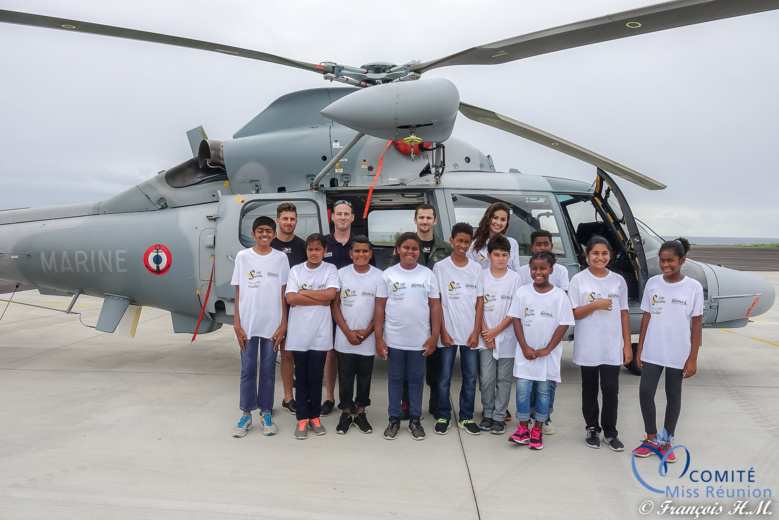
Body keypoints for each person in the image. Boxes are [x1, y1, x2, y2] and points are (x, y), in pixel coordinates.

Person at [633, 238, 703, 462]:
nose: (666, 265)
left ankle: (666, 441)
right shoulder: (653, 283)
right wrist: (640, 348)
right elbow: (646, 316)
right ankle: (651, 438)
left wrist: (692, 358)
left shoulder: (692, 287)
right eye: (662, 260)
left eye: (671, 260)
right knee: (645, 393)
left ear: (682, 260)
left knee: (673, 396)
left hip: (678, 352)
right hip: (653, 350)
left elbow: (697, 324)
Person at [375, 232, 442, 441]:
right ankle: (393, 419)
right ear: (397, 249)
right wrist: (379, 337)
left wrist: (434, 336)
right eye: (406, 247)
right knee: (395, 380)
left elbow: (435, 306)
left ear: (419, 251)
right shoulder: (387, 275)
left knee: (415, 380)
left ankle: (415, 420)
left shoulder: (428, 275)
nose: (410, 252)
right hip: (394, 338)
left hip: (419, 340)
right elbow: (379, 307)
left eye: (414, 248)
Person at [568, 236, 632, 451]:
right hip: (588, 345)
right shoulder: (578, 280)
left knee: (611, 389)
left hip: (611, 345)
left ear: (609, 256)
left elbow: (624, 313)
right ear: (587, 256)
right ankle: (592, 428)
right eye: (595, 253)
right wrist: (595, 305)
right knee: (590, 389)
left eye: (604, 253)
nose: (600, 257)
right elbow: (575, 313)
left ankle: (611, 432)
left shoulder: (618, 281)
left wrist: (627, 344)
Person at [389, 203, 452, 419]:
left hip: (435, 313)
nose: (425, 221)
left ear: (435, 221)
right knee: (408, 371)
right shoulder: (405, 245)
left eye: (429, 218)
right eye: (421, 217)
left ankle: (434, 404)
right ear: (415, 220)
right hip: (409, 318)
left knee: (435, 365)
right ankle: (406, 404)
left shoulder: (446, 249)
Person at [507, 251, 574, 450]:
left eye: (543, 268)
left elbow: (564, 324)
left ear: (551, 270)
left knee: (544, 392)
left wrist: (548, 349)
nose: (538, 272)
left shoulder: (559, 296)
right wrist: (525, 347)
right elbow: (516, 319)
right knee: (522, 392)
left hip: (548, 357)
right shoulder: (523, 292)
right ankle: (522, 429)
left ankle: (537, 430)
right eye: (534, 268)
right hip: (525, 355)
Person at [230, 216, 289, 438]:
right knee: (247, 370)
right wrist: (237, 323)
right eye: (260, 231)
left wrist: (283, 324)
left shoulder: (281, 258)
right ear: (253, 233)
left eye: (269, 231)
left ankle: (265, 412)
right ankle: (246, 414)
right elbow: (238, 292)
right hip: (247, 325)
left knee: (267, 370)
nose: (265, 234)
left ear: (275, 234)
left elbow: (284, 293)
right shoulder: (243, 257)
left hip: (272, 326)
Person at [285, 233, 340, 440]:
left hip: (320, 334)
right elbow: (291, 298)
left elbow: (330, 296)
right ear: (306, 250)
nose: (314, 253)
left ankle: (315, 417)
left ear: (325, 251)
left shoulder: (330, 270)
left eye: (318, 249)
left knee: (316, 378)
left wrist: (303, 292)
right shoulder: (296, 270)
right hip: (299, 334)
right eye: (310, 249)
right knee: (302, 379)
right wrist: (319, 297)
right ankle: (301, 418)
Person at [432, 222, 483, 435]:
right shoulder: (440, 267)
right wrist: (442, 331)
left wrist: (475, 331)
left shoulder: (476, 268)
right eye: (459, 241)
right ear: (451, 241)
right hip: (448, 334)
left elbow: (480, 301)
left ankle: (466, 417)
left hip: (470, 334)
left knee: (470, 377)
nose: (463, 245)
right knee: (444, 377)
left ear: (471, 243)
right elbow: (437, 301)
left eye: (467, 241)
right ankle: (444, 415)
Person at [518, 229, 570, 434]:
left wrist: (550, 346)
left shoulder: (561, 273)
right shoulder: (523, 273)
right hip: (529, 333)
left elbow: (562, 313)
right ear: (532, 247)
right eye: (538, 244)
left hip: (550, 336)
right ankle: (528, 418)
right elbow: (520, 309)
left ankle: (544, 417)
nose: (542, 247)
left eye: (546, 244)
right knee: (528, 383)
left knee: (547, 384)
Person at [331, 236, 383, 434]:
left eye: (365, 251)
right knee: (344, 376)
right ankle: (345, 412)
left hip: (367, 339)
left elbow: (380, 308)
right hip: (345, 337)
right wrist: (346, 332)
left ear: (371, 254)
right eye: (357, 251)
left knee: (364, 377)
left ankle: (360, 412)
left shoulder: (379, 276)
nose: (361, 255)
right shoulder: (341, 274)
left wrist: (369, 331)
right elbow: (335, 305)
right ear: (351, 253)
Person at [477, 234, 521, 435]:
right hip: (485, 337)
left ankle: (499, 417)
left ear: (509, 256)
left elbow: (515, 310)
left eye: (504, 255)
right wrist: (487, 332)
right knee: (486, 378)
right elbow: (478, 307)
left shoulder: (515, 279)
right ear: (489, 256)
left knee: (503, 379)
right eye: (497, 255)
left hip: (507, 337)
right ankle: (487, 413)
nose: (501, 258)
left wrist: (497, 330)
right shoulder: (481, 275)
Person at [321, 200, 358, 416]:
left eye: (347, 213)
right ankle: (329, 397)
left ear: (352, 218)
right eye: (339, 214)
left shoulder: (360, 243)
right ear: (332, 217)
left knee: (351, 354)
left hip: (354, 306)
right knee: (330, 353)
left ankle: (348, 396)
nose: (343, 217)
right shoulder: (324, 244)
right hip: (327, 306)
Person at [270, 202, 308, 415]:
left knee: (291, 353)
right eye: (285, 218)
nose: (288, 222)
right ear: (278, 220)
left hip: (296, 307)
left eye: (292, 219)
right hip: (272, 308)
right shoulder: (269, 245)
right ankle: (280, 397)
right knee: (275, 354)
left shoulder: (303, 246)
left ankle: (292, 397)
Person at [467, 202, 520, 272]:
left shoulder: (512, 243)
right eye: (495, 218)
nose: (498, 222)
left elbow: (516, 270)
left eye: (503, 220)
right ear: (488, 218)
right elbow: (470, 272)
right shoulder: (474, 245)